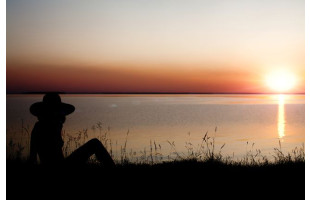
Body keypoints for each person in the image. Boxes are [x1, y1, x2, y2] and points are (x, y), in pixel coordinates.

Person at [28, 93, 115, 168]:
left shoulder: (44, 126)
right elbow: (34, 157)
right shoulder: (44, 127)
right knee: (94, 143)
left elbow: (33, 156)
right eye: (56, 111)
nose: (60, 115)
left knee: (94, 144)